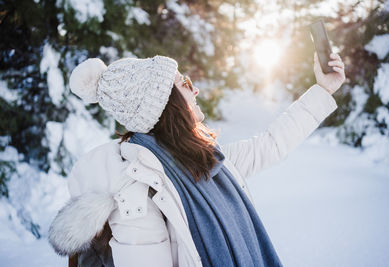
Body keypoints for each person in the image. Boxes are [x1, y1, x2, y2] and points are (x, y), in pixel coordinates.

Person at [48, 52, 345, 267]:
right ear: (164, 103)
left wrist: (324, 89)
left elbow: (270, 144)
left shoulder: (205, 159)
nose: (195, 88)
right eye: (185, 83)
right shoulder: (138, 190)